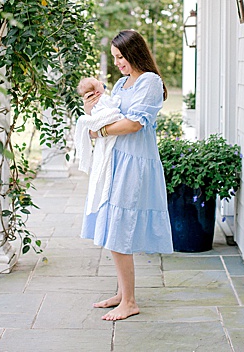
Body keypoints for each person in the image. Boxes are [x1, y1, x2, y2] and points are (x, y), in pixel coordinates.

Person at [79, 30, 173, 321]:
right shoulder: (121, 84)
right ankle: (122, 293)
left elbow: (133, 124)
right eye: (115, 57)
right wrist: (92, 109)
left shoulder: (150, 82)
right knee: (111, 225)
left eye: (121, 57)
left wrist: (102, 130)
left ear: (134, 53)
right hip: (115, 161)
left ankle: (130, 301)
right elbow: (104, 116)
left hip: (136, 164)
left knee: (120, 228)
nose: (118, 63)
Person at [74, 77, 124, 218]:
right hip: (108, 124)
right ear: (96, 92)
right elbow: (116, 104)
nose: (103, 86)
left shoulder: (100, 101)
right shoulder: (104, 99)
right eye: (100, 85)